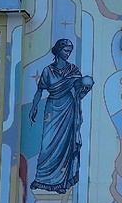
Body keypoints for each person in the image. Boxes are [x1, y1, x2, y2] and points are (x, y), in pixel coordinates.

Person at [29, 38, 93, 192]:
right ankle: (43, 179)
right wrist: (34, 107)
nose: (68, 53)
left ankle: (61, 182)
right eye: (66, 50)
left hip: (68, 107)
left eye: (70, 51)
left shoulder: (74, 71)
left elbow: (78, 92)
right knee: (47, 143)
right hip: (52, 108)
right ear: (58, 50)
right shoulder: (47, 71)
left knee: (65, 144)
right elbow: (40, 90)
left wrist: (85, 89)